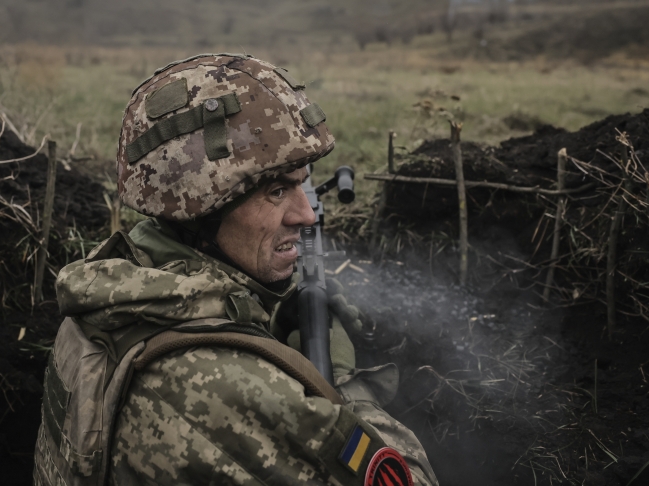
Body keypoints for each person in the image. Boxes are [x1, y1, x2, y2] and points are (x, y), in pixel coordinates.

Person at [33, 54, 438, 486]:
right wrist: (339, 384)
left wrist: (266, 320)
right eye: (276, 191)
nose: (305, 215)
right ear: (201, 209)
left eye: (301, 183)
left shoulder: (114, 296)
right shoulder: (225, 383)